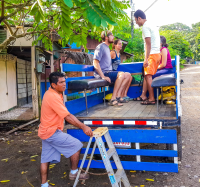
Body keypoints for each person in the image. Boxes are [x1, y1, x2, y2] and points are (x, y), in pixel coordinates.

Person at [38, 72, 93, 187]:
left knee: (45, 159)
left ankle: (44, 185)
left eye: (65, 81)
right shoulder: (52, 96)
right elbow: (67, 116)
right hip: (52, 132)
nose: (64, 84)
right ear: (53, 84)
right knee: (77, 145)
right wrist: (83, 126)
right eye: (61, 82)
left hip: (45, 131)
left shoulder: (54, 93)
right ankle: (73, 173)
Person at [93, 30, 130, 106]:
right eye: (111, 35)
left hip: (108, 72)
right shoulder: (100, 47)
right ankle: (113, 99)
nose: (113, 37)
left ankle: (118, 96)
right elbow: (95, 62)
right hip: (103, 73)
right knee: (121, 74)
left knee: (128, 75)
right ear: (106, 37)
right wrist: (103, 76)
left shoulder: (107, 48)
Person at [133, 35, 173, 102]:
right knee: (147, 74)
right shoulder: (158, 51)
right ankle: (144, 95)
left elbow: (163, 64)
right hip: (162, 70)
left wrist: (155, 69)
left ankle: (144, 96)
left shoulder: (164, 50)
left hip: (167, 70)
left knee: (148, 75)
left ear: (160, 43)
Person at [133, 10, 161, 105]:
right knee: (147, 75)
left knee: (148, 76)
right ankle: (145, 96)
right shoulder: (152, 25)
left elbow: (148, 44)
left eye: (135, 20)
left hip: (152, 55)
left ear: (139, 18)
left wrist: (146, 59)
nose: (136, 22)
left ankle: (152, 99)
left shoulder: (145, 27)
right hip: (157, 54)